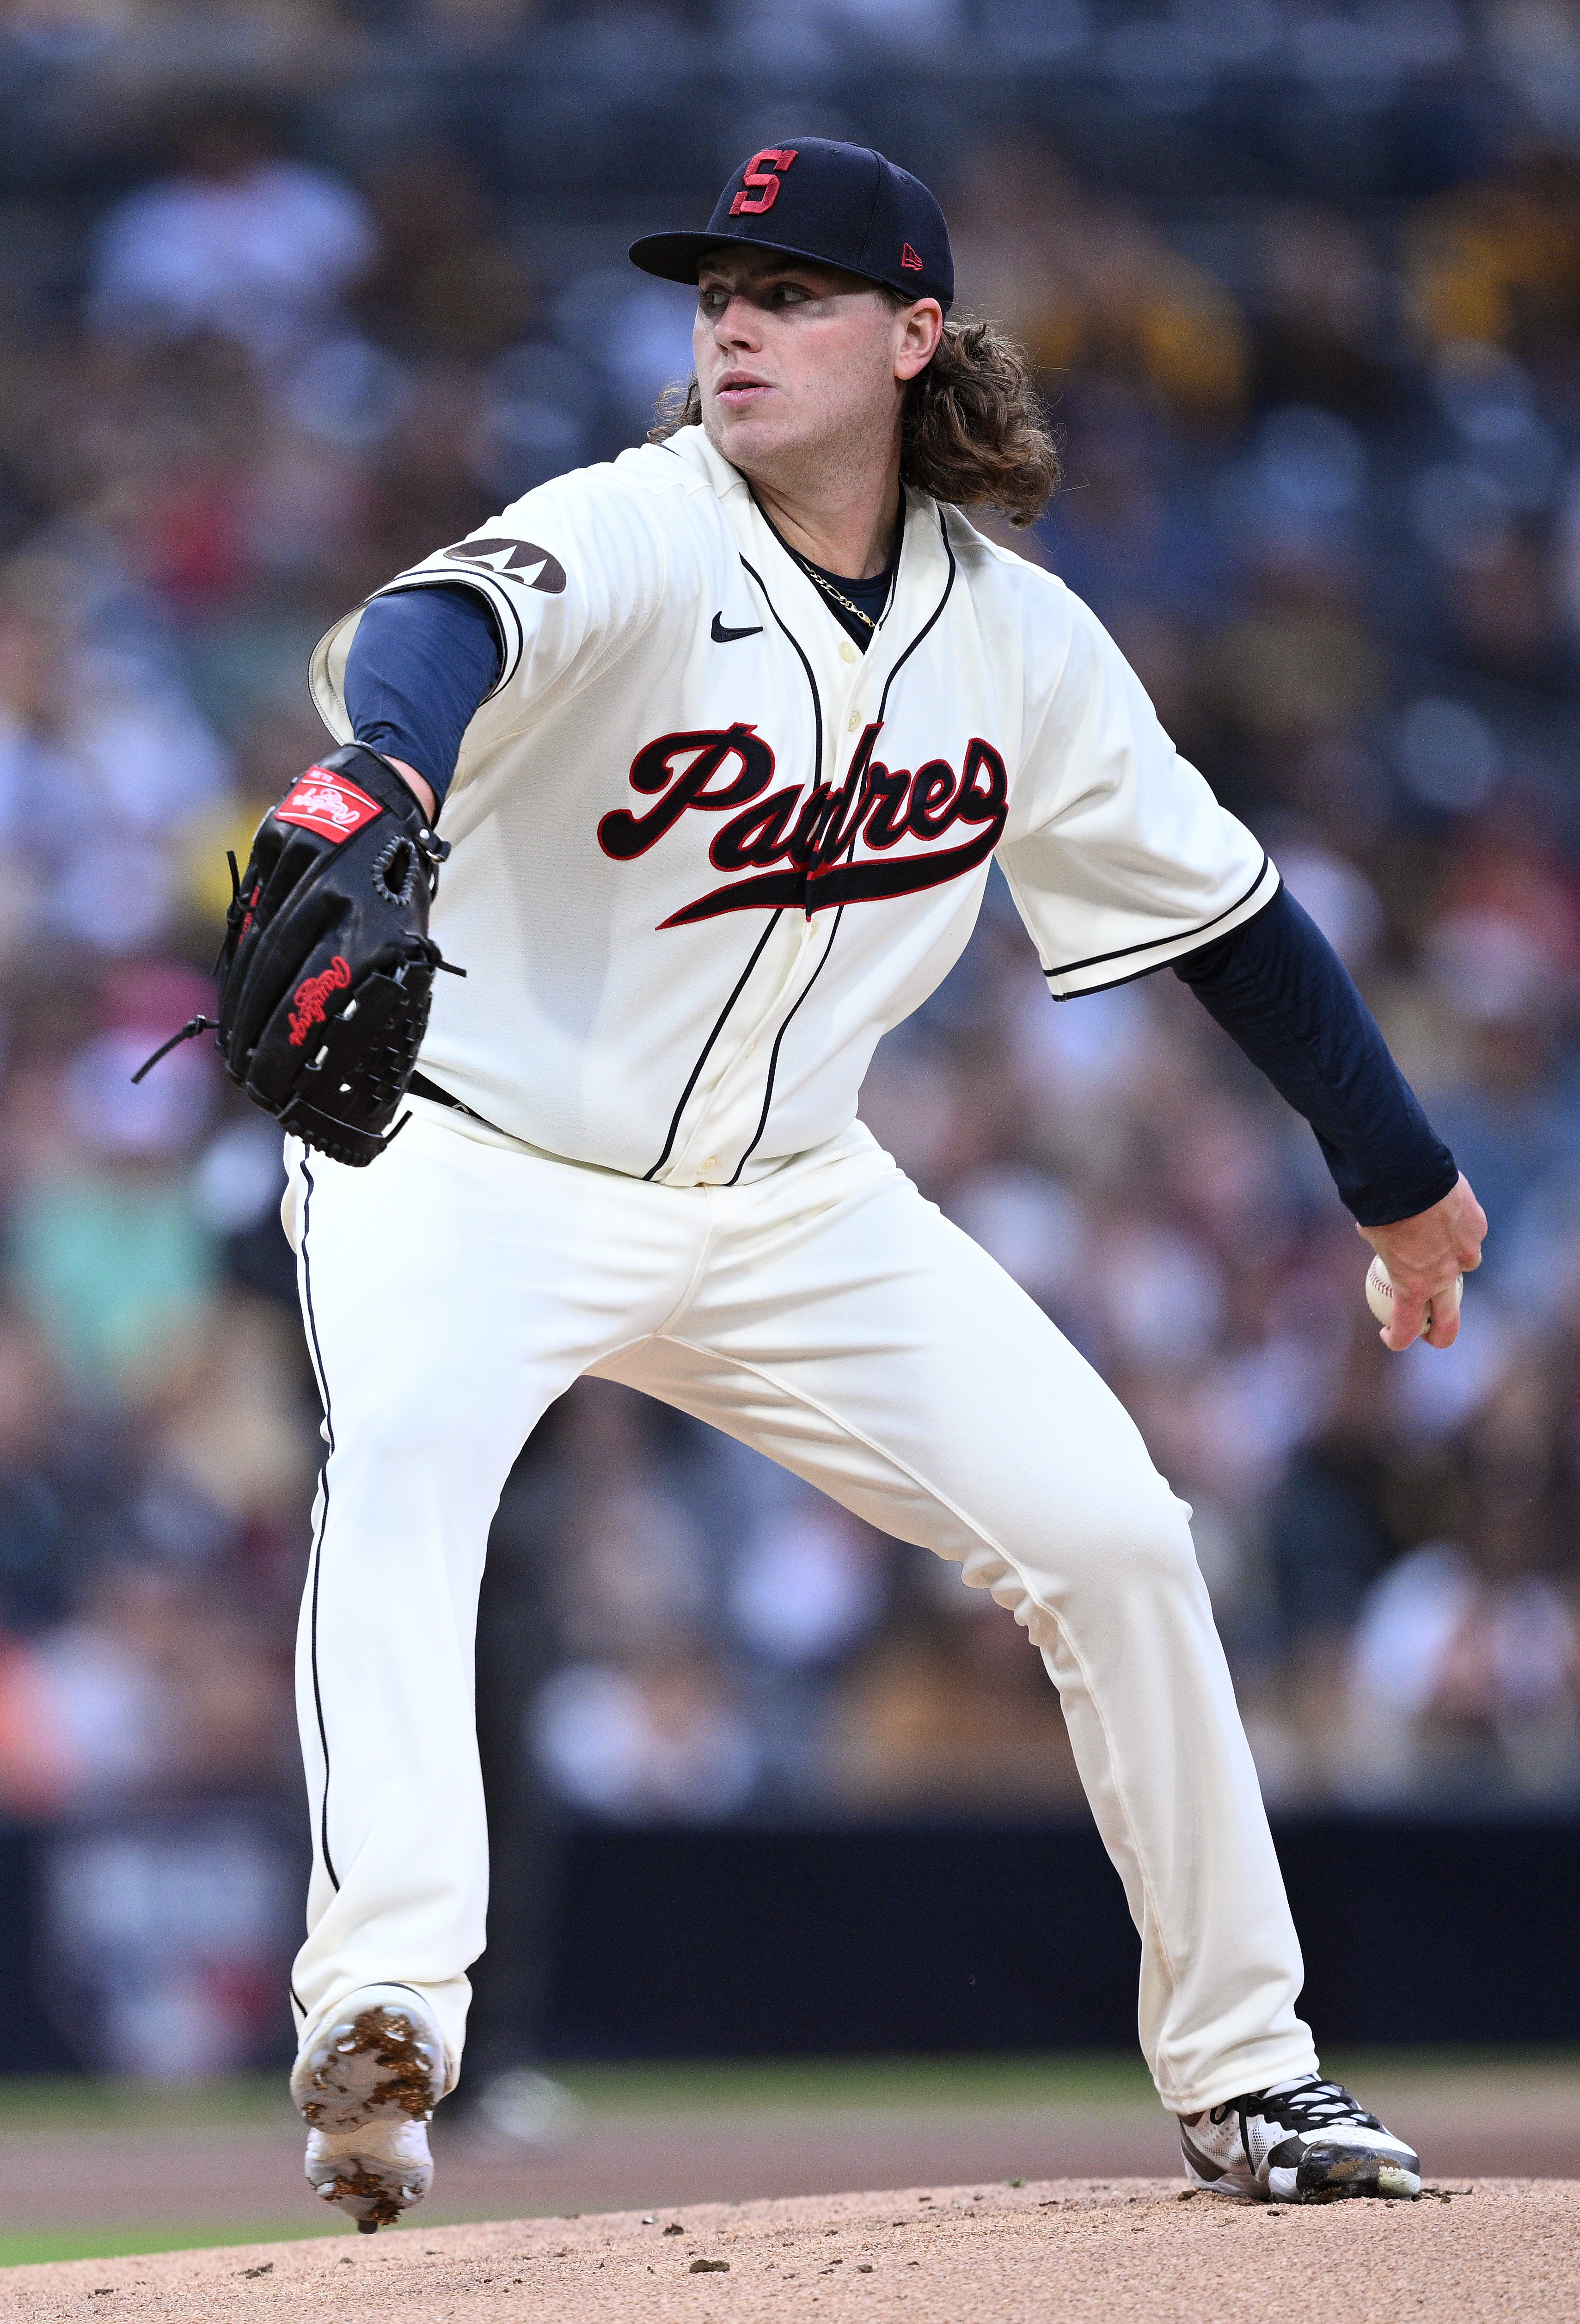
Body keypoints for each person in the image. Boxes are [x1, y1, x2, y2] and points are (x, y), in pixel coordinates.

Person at [280, 141, 1486, 2228]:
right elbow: (437, 626)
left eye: (795, 291)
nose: (733, 322)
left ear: (916, 338)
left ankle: (1250, 2073)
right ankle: (384, 2011)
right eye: (715, 291)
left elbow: (1229, 917)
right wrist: (389, 771)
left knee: (1115, 1534)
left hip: (791, 1201)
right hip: (470, 1163)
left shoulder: (1014, 643)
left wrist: (1398, 1176)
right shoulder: (644, 528)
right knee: (403, 1468)